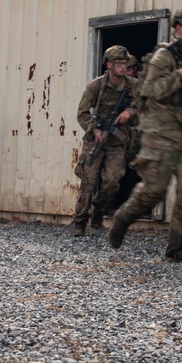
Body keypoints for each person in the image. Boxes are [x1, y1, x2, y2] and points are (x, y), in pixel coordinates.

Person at [107, 7, 182, 262]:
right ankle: (123, 218)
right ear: (179, 29)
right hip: (160, 134)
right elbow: (150, 89)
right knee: (154, 191)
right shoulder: (165, 57)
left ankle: (176, 248)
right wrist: (179, 77)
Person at [71, 45, 137, 237]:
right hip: (96, 140)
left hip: (117, 142)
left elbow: (145, 106)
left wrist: (129, 112)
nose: (122, 67)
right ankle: (80, 221)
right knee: (88, 182)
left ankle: (99, 209)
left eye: (125, 63)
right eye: (118, 63)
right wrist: (95, 129)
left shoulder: (133, 85)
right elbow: (82, 113)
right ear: (109, 64)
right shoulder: (96, 86)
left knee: (113, 181)